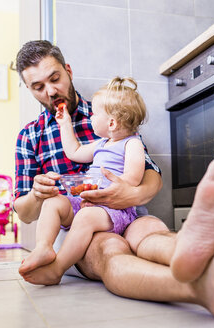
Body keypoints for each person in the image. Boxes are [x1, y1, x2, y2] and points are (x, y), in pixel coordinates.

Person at [14, 40, 214, 320]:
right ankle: (202, 289)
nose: (51, 91)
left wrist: (127, 195)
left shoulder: (112, 112)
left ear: (68, 71)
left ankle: (206, 255)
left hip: (125, 210)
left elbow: (150, 174)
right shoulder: (30, 136)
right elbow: (23, 211)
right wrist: (36, 193)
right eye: (38, 87)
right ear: (30, 89)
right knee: (110, 249)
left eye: (55, 79)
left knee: (151, 233)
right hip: (78, 225)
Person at [18, 76, 149, 279]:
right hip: (88, 202)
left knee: (85, 217)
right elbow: (74, 151)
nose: (90, 118)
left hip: (115, 209)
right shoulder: (101, 143)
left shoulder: (132, 144)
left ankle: (57, 268)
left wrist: (101, 194)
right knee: (53, 202)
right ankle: (43, 247)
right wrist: (65, 124)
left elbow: (132, 180)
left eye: (95, 114)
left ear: (112, 123)